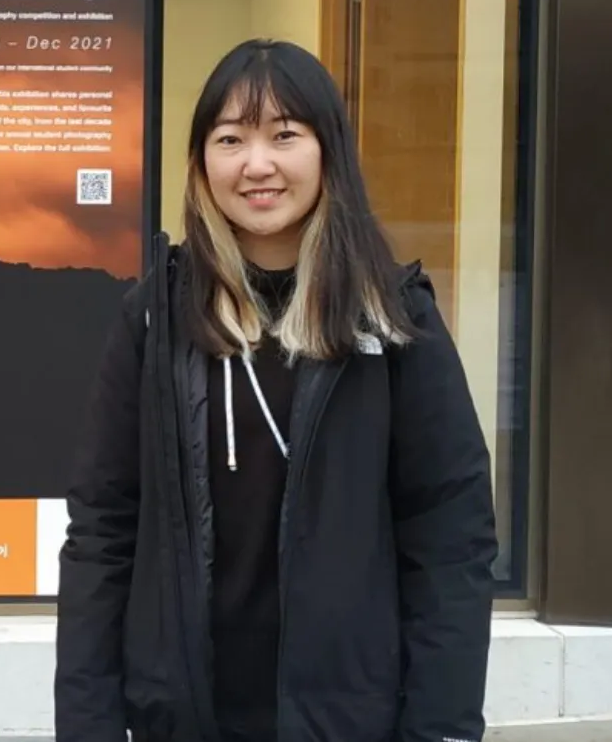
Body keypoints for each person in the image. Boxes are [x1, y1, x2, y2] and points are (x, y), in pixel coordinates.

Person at [54, 39, 497, 742]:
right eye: (230, 139)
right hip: (185, 716)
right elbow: (101, 533)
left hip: (347, 718)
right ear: (201, 162)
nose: (256, 164)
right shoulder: (153, 317)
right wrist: (88, 724)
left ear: (327, 152)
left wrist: (440, 726)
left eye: (283, 135)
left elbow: (450, 538)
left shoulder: (392, 319)